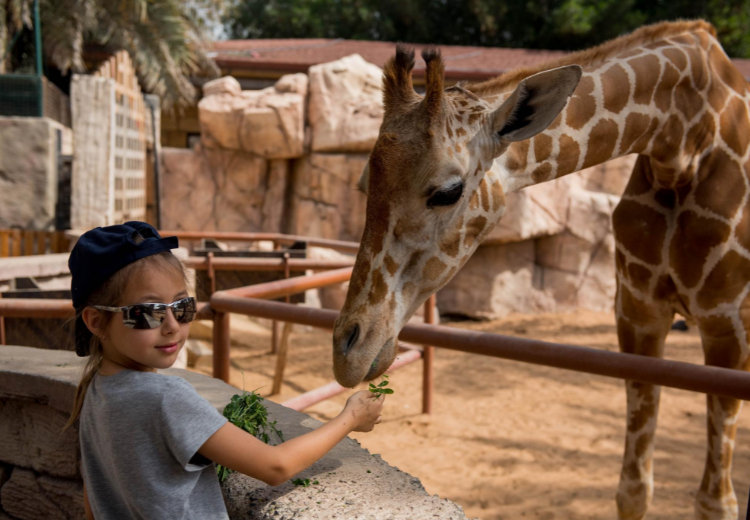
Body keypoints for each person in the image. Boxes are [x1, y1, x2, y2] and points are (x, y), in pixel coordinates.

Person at [63, 221, 385, 520]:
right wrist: (351, 418)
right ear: (96, 321)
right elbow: (275, 466)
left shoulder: (93, 390)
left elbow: (94, 504)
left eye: (182, 307)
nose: (173, 326)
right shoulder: (167, 398)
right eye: (148, 313)